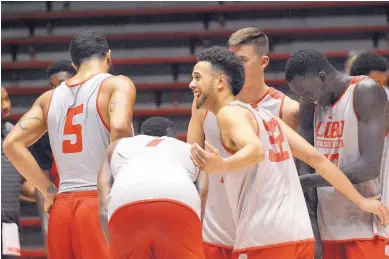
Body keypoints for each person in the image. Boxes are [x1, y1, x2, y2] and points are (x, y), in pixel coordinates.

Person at [189, 46, 389, 259]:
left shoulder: (229, 114)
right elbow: (317, 159)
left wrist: (221, 165)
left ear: (220, 82)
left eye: (197, 78)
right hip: (303, 233)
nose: (192, 84)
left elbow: (255, 150)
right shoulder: (266, 116)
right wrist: (359, 201)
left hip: (265, 235)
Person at [2, 31, 136, 259]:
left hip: (62, 208)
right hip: (99, 202)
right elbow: (121, 126)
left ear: (74, 64)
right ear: (109, 56)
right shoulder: (117, 84)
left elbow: (11, 144)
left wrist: (49, 191)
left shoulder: (48, 98)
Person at [187, 27, 300, 259]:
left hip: (262, 231)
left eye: (242, 60)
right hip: (215, 231)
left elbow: (293, 175)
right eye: (232, 59)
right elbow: (193, 167)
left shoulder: (285, 109)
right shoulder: (204, 104)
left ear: (264, 61)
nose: (235, 67)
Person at [285, 49, 389, 259]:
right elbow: (306, 161)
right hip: (329, 226)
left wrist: (305, 181)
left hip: (370, 223)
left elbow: (368, 168)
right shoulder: (310, 105)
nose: (305, 98)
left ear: (322, 77)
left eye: (307, 92)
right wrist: (313, 224)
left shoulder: (365, 91)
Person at [97, 117, 207, 259]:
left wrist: (115, 244)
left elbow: (103, 209)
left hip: (125, 200)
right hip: (179, 200)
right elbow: (202, 192)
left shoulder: (116, 147)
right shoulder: (192, 149)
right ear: (173, 137)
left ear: (140, 135)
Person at [28, 60, 76, 253]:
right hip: (61, 200)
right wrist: (46, 222)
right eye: (53, 86)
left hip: (92, 197)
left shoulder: (95, 109)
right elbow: (42, 175)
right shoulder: (45, 122)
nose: (58, 90)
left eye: (63, 83)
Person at [349, 51, 389, 258]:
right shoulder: (341, 103)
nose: (381, 87)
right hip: (346, 198)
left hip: (381, 187)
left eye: (384, 82)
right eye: (376, 82)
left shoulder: (384, 101)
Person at [1, 87, 21, 259]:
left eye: (7, 99)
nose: (6, 106)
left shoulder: (12, 134)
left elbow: (19, 185)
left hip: (9, 224)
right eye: (1, 101)